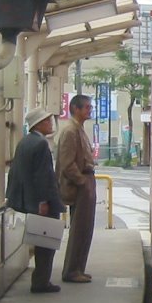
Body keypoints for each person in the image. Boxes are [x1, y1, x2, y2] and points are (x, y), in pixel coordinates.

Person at [6, 106, 65, 294]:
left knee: (41, 240)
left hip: (28, 200)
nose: (51, 123)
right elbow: (43, 176)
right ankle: (41, 281)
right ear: (38, 124)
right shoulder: (40, 145)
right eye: (47, 120)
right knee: (46, 243)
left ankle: (41, 280)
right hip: (42, 203)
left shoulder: (24, 142)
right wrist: (43, 201)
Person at [56, 94, 97, 283]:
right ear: (76, 109)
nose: (90, 110)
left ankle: (78, 267)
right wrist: (82, 181)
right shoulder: (70, 131)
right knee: (79, 228)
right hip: (80, 185)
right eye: (87, 107)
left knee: (86, 228)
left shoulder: (78, 129)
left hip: (86, 182)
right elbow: (67, 163)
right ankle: (72, 270)